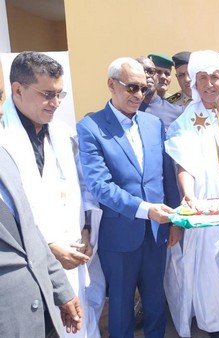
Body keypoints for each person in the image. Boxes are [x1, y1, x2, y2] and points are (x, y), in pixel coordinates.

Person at [77, 57, 181, 337]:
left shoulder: (153, 124)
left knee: (155, 302)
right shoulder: (90, 127)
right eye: (131, 88)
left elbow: (165, 176)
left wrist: (174, 221)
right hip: (119, 233)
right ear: (111, 85)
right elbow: (100, 186)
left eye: (143, 89)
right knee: (121, 306)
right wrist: (146, 209)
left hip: (157, 231)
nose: (138, 95)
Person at [0, 51, 98, 338]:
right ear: (17, 90)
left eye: (60, 94)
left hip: (74, 254)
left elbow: (82, 188)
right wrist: (50, 249)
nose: (55, 103)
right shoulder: (4, 139)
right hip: (30, 271)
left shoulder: (63, 133)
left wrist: (87, 229)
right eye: (47, 94)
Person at [164, 50, 219, 338]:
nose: (210, 84)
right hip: (206, 207)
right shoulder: (187, 118)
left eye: (214, 77)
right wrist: (188, 195)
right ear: (194, 84)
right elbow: (183, 164)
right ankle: (216, 329)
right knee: (211, 269)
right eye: (202, 78)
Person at [0, 144, 83, 337]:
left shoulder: (4, 155)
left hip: (45, 316)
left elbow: (29, 229)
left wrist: (61, 287)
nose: (2, 112)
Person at [137, 56, 183, 130]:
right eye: (158, 72)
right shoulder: (128, 107)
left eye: (167, 73)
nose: (163, 77)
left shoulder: (176, 110)